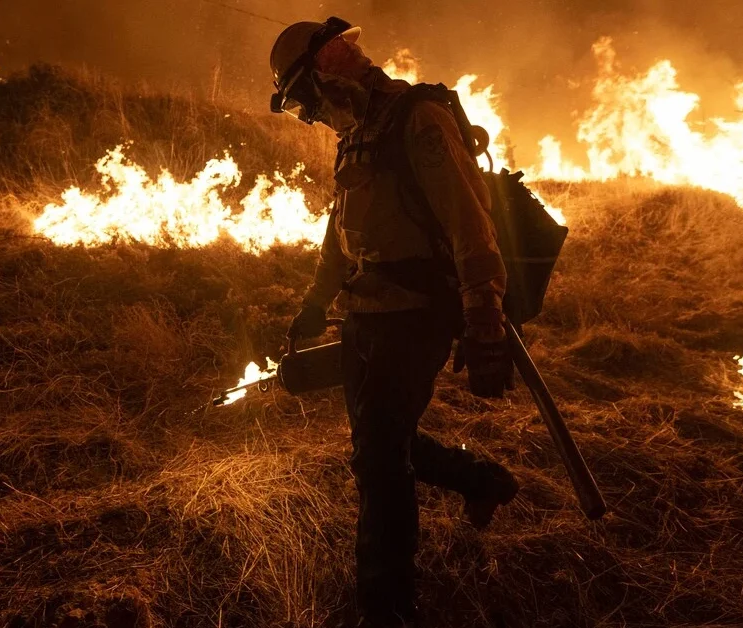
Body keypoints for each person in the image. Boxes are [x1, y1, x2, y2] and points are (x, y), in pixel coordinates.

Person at [269, 17, 521, 628]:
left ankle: (386, 608)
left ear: (329, 61)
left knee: (380, 461)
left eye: (303, 99)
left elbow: (471, 226)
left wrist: (484, 320)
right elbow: (341, 233)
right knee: (381, 444)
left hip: (416, 317)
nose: (308, 115)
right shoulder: (356, 133)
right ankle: (480, 480)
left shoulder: (418, 118)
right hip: (365, 314)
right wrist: (314, 301)